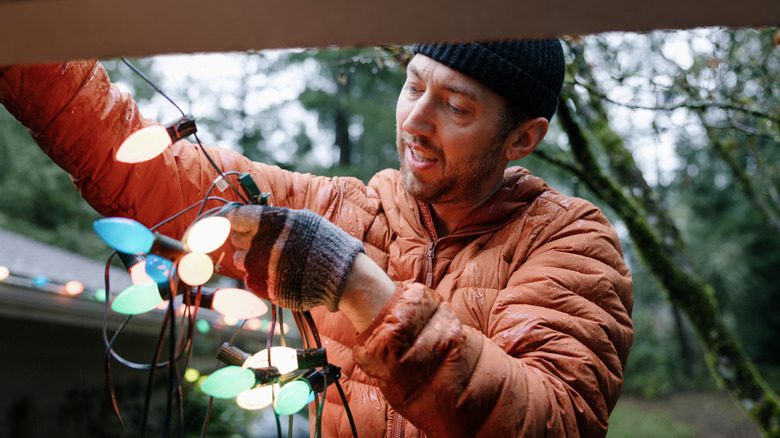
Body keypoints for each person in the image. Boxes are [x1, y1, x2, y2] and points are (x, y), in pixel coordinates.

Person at [0, 40, 633, 437]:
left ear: (523, 138)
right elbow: (153, 179)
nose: (415, 119)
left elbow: (551, 420)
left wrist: (362, 288)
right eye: (414, 84)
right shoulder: (341, 207)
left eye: (455, 107)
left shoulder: (570, 244)